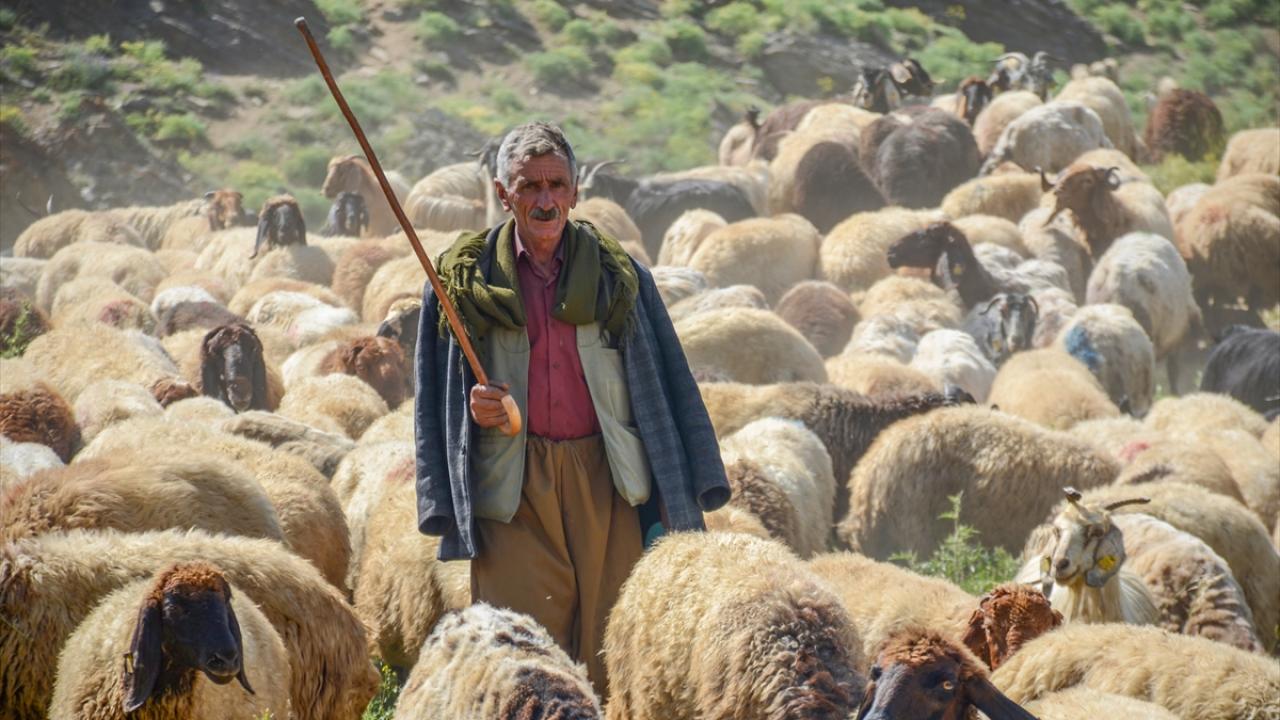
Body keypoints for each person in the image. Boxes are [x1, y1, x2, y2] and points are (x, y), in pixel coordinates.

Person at [413, 122, 730, 693]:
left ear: (576, 190)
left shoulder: (621, 278)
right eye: (528, 186)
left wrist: (689, 481)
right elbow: (434, 403)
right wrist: (472, 405)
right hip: (512, 488)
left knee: (613, 645)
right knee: (522, 654)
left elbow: (670, 384)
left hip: (606, 482)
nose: (544, 200)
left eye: (556, 184)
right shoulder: (461, 284)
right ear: (502, 192)